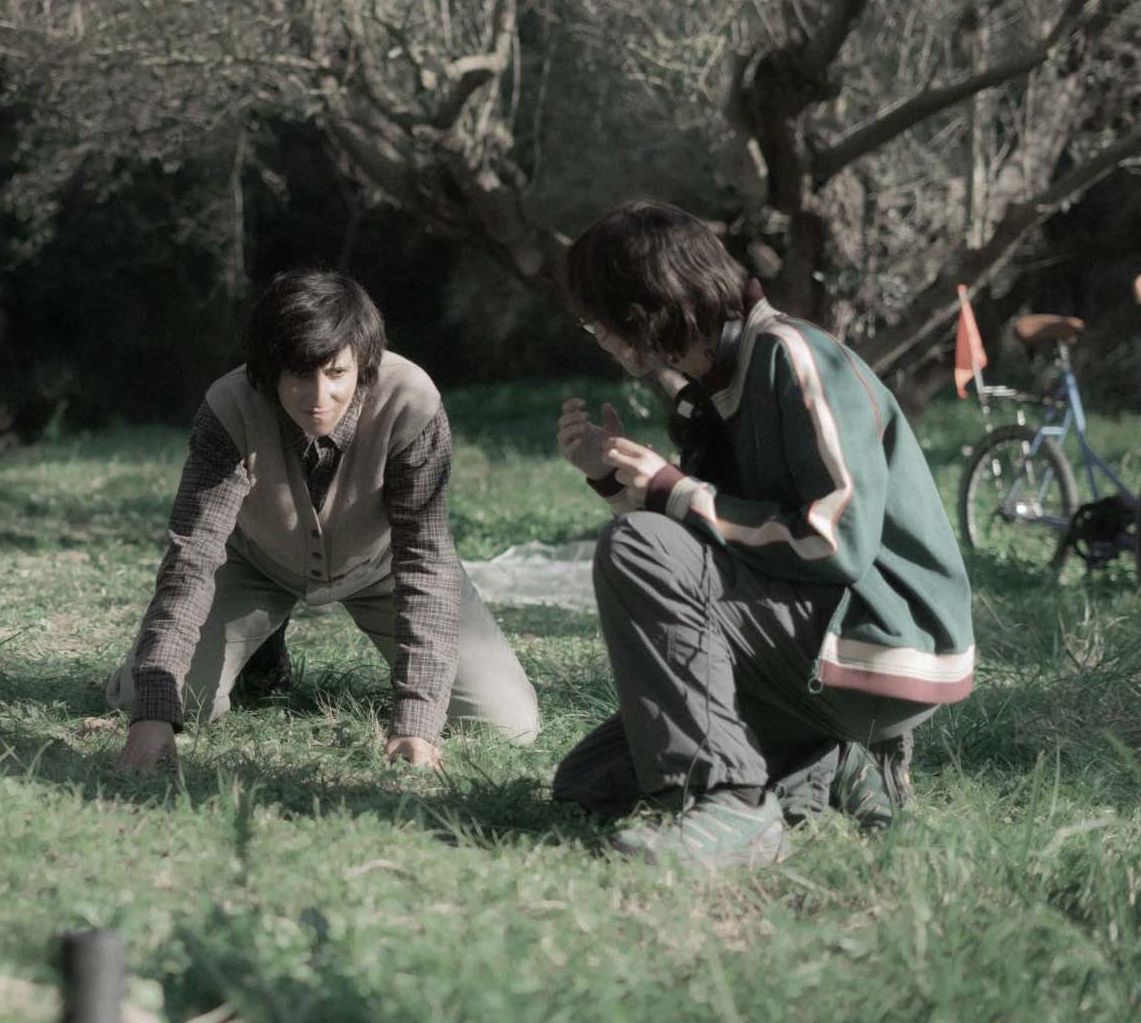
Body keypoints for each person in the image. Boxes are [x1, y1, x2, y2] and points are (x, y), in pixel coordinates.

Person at [550, 200, 975, 868]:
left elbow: (837, 542)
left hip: (883, 638)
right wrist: (613, 482)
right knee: (590, 784)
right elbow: (705, 555)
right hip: (803, 633)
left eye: (597, 317)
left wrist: (673, 491)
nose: (595, 334)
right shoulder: (714, 388)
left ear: (645, 306)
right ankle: (832, 763)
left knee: (635, 547)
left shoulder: (793, 355)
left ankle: (735, 803)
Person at [108, 268, 542, 773]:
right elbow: (192, 559)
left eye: (336, 373)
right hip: (254, 563)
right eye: (298, 375)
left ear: (365, 364)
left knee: (509, 724)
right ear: (268, 370)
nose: (318, 397)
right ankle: (255, 649)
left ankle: (259, 644)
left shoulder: (412, 401)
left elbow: (425, 560)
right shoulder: (228, 407)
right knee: (156, 698)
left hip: (384, 566)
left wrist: (416, 722)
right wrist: (153, 714)